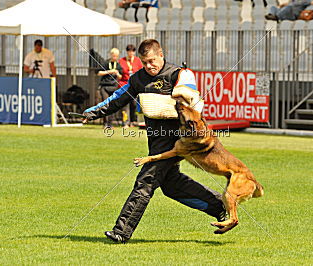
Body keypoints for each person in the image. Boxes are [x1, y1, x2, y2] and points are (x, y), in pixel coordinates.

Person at [83, 39, 226, 243]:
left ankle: (121, 231)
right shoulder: (138, 79)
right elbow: (118, 98)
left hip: (175, 140)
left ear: (161, 54)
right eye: (144, 62)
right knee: (171, 185)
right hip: (155, 141)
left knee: (145, 181)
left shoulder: (176, 74)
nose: (149, 66)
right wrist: (94, 112)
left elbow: (190, 96)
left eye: (152, 61)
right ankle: (218, 205)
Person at [97, 48, 123, 128]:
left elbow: (120, 76)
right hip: (105, 86)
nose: (115, 57)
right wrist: (109, 71)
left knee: (112, 105)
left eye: (116, 56)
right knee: (105, 105)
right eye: (114, 55)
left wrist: (117, 74)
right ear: (111, 55)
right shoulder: (105, 63)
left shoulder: (118, 65)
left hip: (113, 87)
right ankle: (105, 123)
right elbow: (99, 72)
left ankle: (110, 124)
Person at [118, 44, 143, 127]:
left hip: (134, 86)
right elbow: (120, 72)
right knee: (125, 105)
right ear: (127, 52)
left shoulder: (138, 61)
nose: (131, 53)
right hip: (124, 85)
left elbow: (140, 73)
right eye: (129, 51)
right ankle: (125, 122)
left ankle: (132, 121)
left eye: (132, 51)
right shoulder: (122, 61)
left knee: (134, 104)